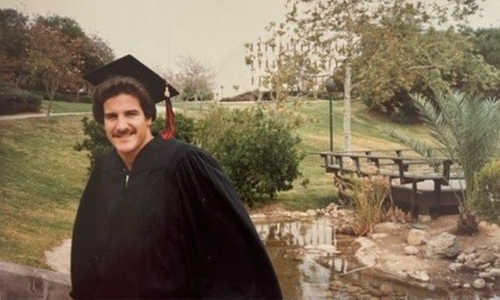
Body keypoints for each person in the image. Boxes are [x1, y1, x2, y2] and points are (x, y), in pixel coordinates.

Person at [70, 55, 282, 299]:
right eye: (111, 116)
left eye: (131, 114)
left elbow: (229, 251)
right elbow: (87, 248)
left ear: (149, 117)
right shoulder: (105, 168)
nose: (121, 125)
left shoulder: (184, 164)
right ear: (102, 122)